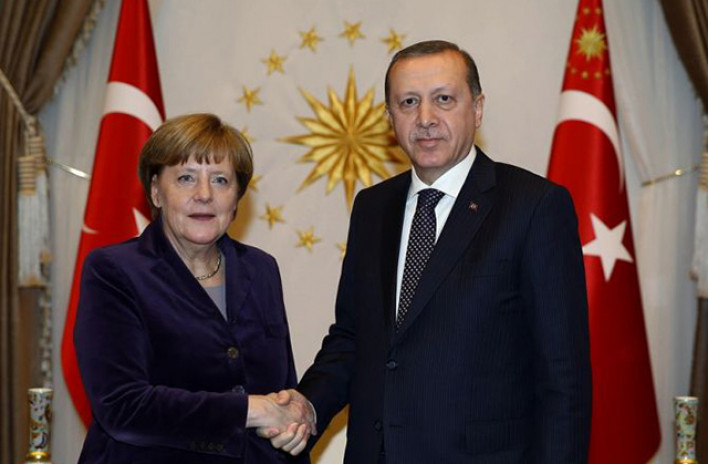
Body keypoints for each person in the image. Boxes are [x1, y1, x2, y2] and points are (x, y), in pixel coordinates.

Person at [265, 40, 592, 462]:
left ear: (477, 108)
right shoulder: (372, 208)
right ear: (389, 118)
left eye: (443, 99)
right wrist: (308, 406)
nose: (425, 118)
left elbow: (563, 379)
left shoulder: (534, 206)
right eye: (408, 102)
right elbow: (353, 338)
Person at [74, 113, 315, 463]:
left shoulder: (261, 269)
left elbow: (280, 393)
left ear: (237, 197)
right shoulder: (114, 270)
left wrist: (292, 430)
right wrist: (250, 410)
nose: (204, 195)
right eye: (186, 178)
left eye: (220, 180)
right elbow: (122, 406)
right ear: (156, 191)